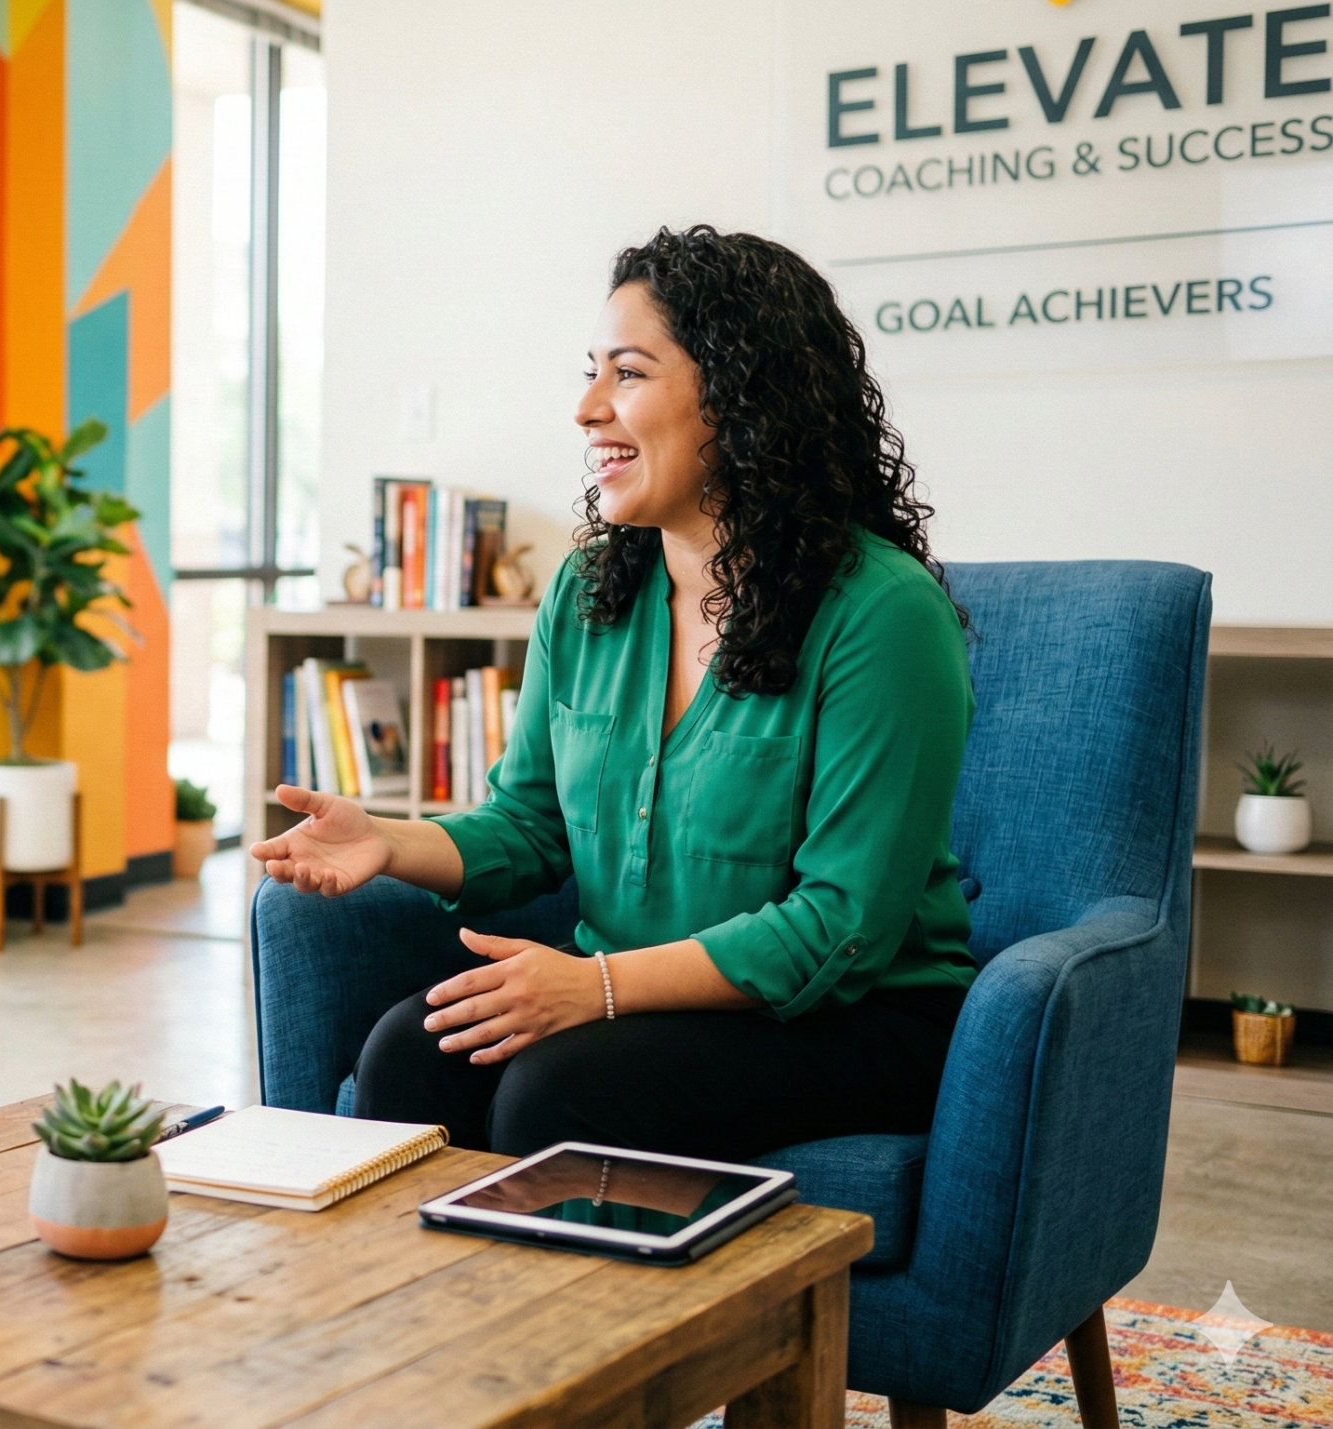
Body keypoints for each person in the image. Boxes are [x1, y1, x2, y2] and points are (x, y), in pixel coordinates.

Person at [251, 225, 976, 1160]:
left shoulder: (882, 615)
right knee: (409, 1055)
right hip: (629, 998)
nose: (588, 408)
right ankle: (430, 1309)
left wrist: (594, 989)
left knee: (561, 1093)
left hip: (857, 1015)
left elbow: (839, 928)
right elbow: (530, 827)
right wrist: (385, 840)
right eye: (590, 372)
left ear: (745, 396)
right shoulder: (592, 592)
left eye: (628, 373)